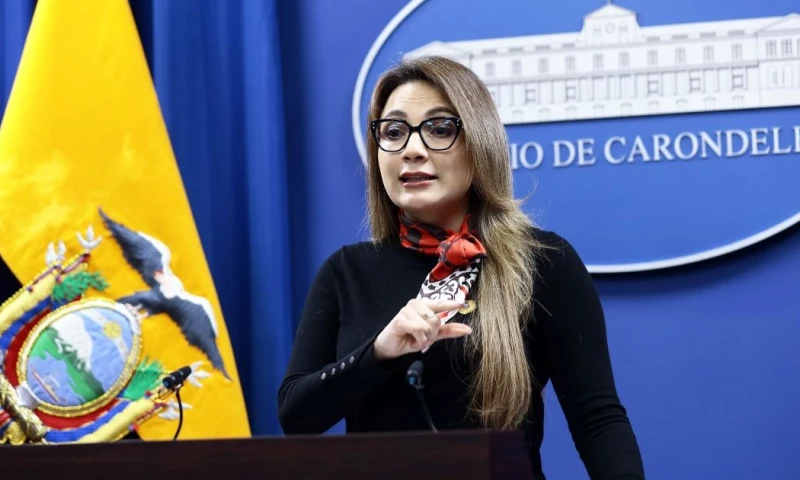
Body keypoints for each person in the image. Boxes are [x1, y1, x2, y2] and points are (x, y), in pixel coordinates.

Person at [277, 55, 645, 479]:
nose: (412, 150)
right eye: (394, 132)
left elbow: (597, 420)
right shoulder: (346, 271)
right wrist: (379, 351)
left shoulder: (544, 262)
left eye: (438, 128)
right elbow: (295, 415)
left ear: (479, 143)